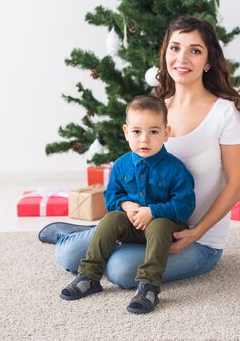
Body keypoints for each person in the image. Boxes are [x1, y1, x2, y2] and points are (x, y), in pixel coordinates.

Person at [40, 15, 240, 291]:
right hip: (144, 225)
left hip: (199, 240)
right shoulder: (157, 109)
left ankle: (90, 236)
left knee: (120, 269)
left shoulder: (226, 114)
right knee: (67, 255)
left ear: (209, 61)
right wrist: (129, 212)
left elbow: (238, 184)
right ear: (165, 53)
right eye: (175, 48)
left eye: (195, 50)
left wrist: (196, 232)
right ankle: (87, 235)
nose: (182, 58)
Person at [58, 95, 195, 314]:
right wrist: (126, 205)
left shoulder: (175, 168)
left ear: (165, 133)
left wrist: (153, 211)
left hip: (164, 230)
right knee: (112, 218)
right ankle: (90, 275)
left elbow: (185, 205)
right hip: (133, 227)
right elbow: (111, 195)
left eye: (153, 131)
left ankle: (148, 286)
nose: (144, 139)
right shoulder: (121, 165)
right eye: (137, 131)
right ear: (126, 132)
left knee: (159, 225)